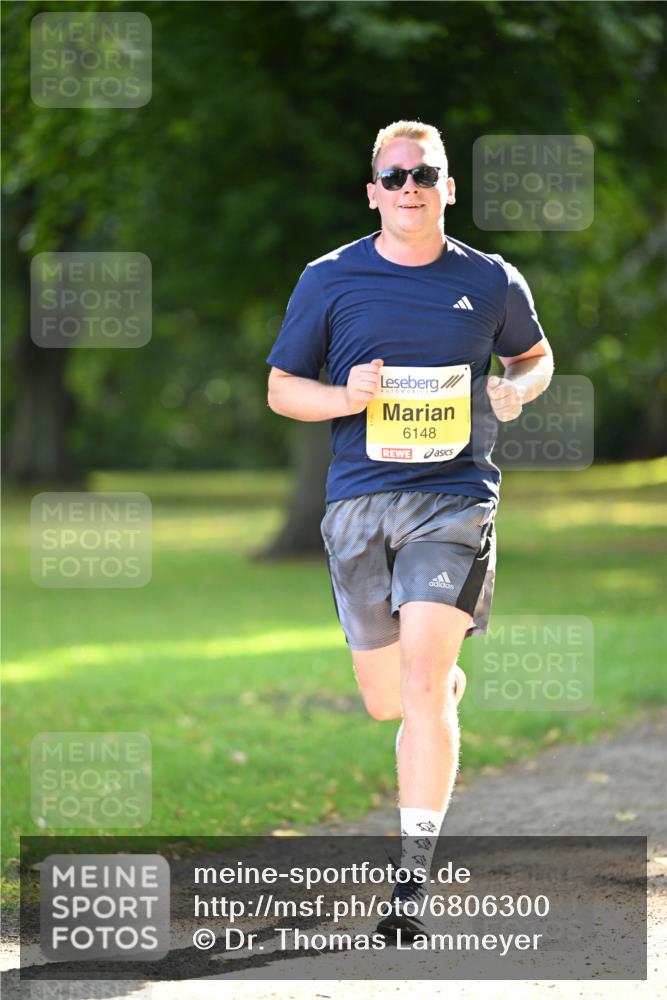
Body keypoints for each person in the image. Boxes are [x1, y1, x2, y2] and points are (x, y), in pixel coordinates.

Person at [266, 120, 554, 939]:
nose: (409, 188)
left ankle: (408, 889)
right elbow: (284, 388)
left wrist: (517, 390)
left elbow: (534, 357)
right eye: (393, 177)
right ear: (372, 192)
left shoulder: (492, 281)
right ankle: (439, 685)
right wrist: (344, 399)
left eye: (424, 174)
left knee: (422, 686)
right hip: (358, 504)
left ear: (448, 187)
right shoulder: (329, 279)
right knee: (388, 699)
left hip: (453, 498)